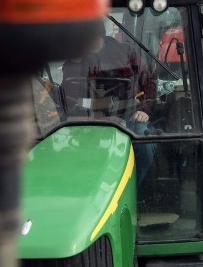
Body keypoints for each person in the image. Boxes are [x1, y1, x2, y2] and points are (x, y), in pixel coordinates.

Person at [61, 19, 157, 178]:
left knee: (144, 146)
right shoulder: (73, 62)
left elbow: (149, 83)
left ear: (100, 37)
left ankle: (135, 191)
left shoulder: (127, 54)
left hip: (128, 116)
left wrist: (144, 111)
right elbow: (67, 94)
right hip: (85, 119)